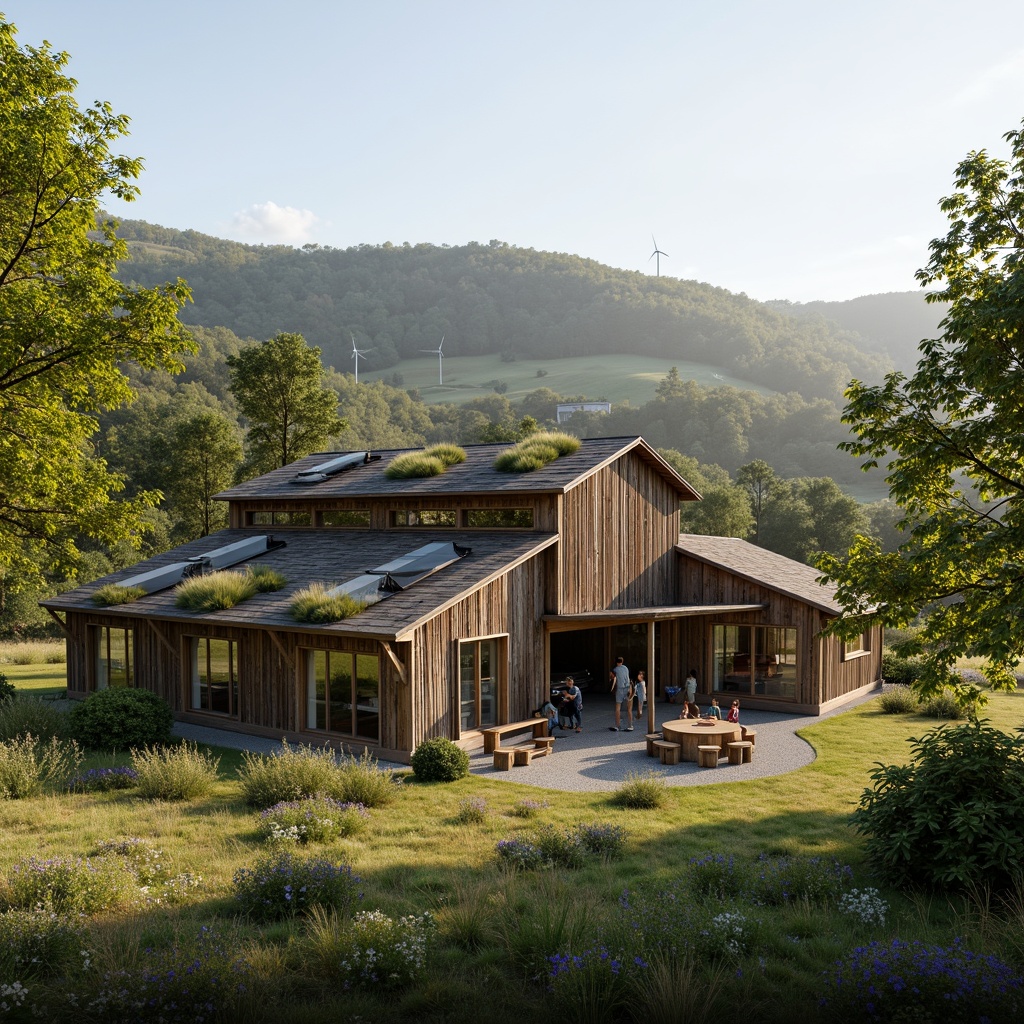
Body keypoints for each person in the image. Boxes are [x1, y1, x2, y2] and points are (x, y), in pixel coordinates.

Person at [609, 656, 633, 731]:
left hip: (619, 689)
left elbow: (612, 680)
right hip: (627, 688)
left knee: (618, 708)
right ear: (622, 662)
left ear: (616, 662)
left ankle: (618, 726)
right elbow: (628, 678)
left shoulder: (615, 670)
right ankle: (630, 725)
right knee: (629, 709)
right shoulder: (626, 668)